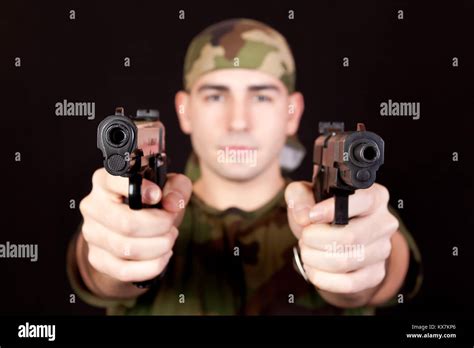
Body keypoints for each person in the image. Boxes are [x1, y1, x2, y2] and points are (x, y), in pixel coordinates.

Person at [67, 18, 422, 315]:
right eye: (216, 95)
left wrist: (358, 273)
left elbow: (386, 264)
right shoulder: (140, 206)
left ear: (292, 113)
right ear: (184, 110)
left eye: (262, 96)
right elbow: (96, 272)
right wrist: (111, 251)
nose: (239, 121)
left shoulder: (341, 212)